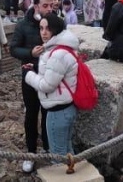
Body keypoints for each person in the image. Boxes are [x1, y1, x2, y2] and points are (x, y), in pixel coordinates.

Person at [24, 13, 79, 156]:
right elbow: (55, 74)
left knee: (58, 154)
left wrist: (29, 76)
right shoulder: (62, 47)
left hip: (57, 110)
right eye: (41, 28)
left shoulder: (57, 54)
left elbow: (48, 85)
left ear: (56, 29)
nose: (44, 32)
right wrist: (35, 69)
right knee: (67, 149)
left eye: (48, 28)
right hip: (67, 106)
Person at [11, 0, 54, 173]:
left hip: (50, 76)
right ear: (35, 6)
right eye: (45, 5)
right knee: (31, 114)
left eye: (51, 5)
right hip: (30, 76)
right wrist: (30, 54)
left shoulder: (55, 23)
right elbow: (13, 49)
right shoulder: (23, 25)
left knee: (48, 113)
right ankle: (30, 152)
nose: (50, 9)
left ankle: (47, 147)